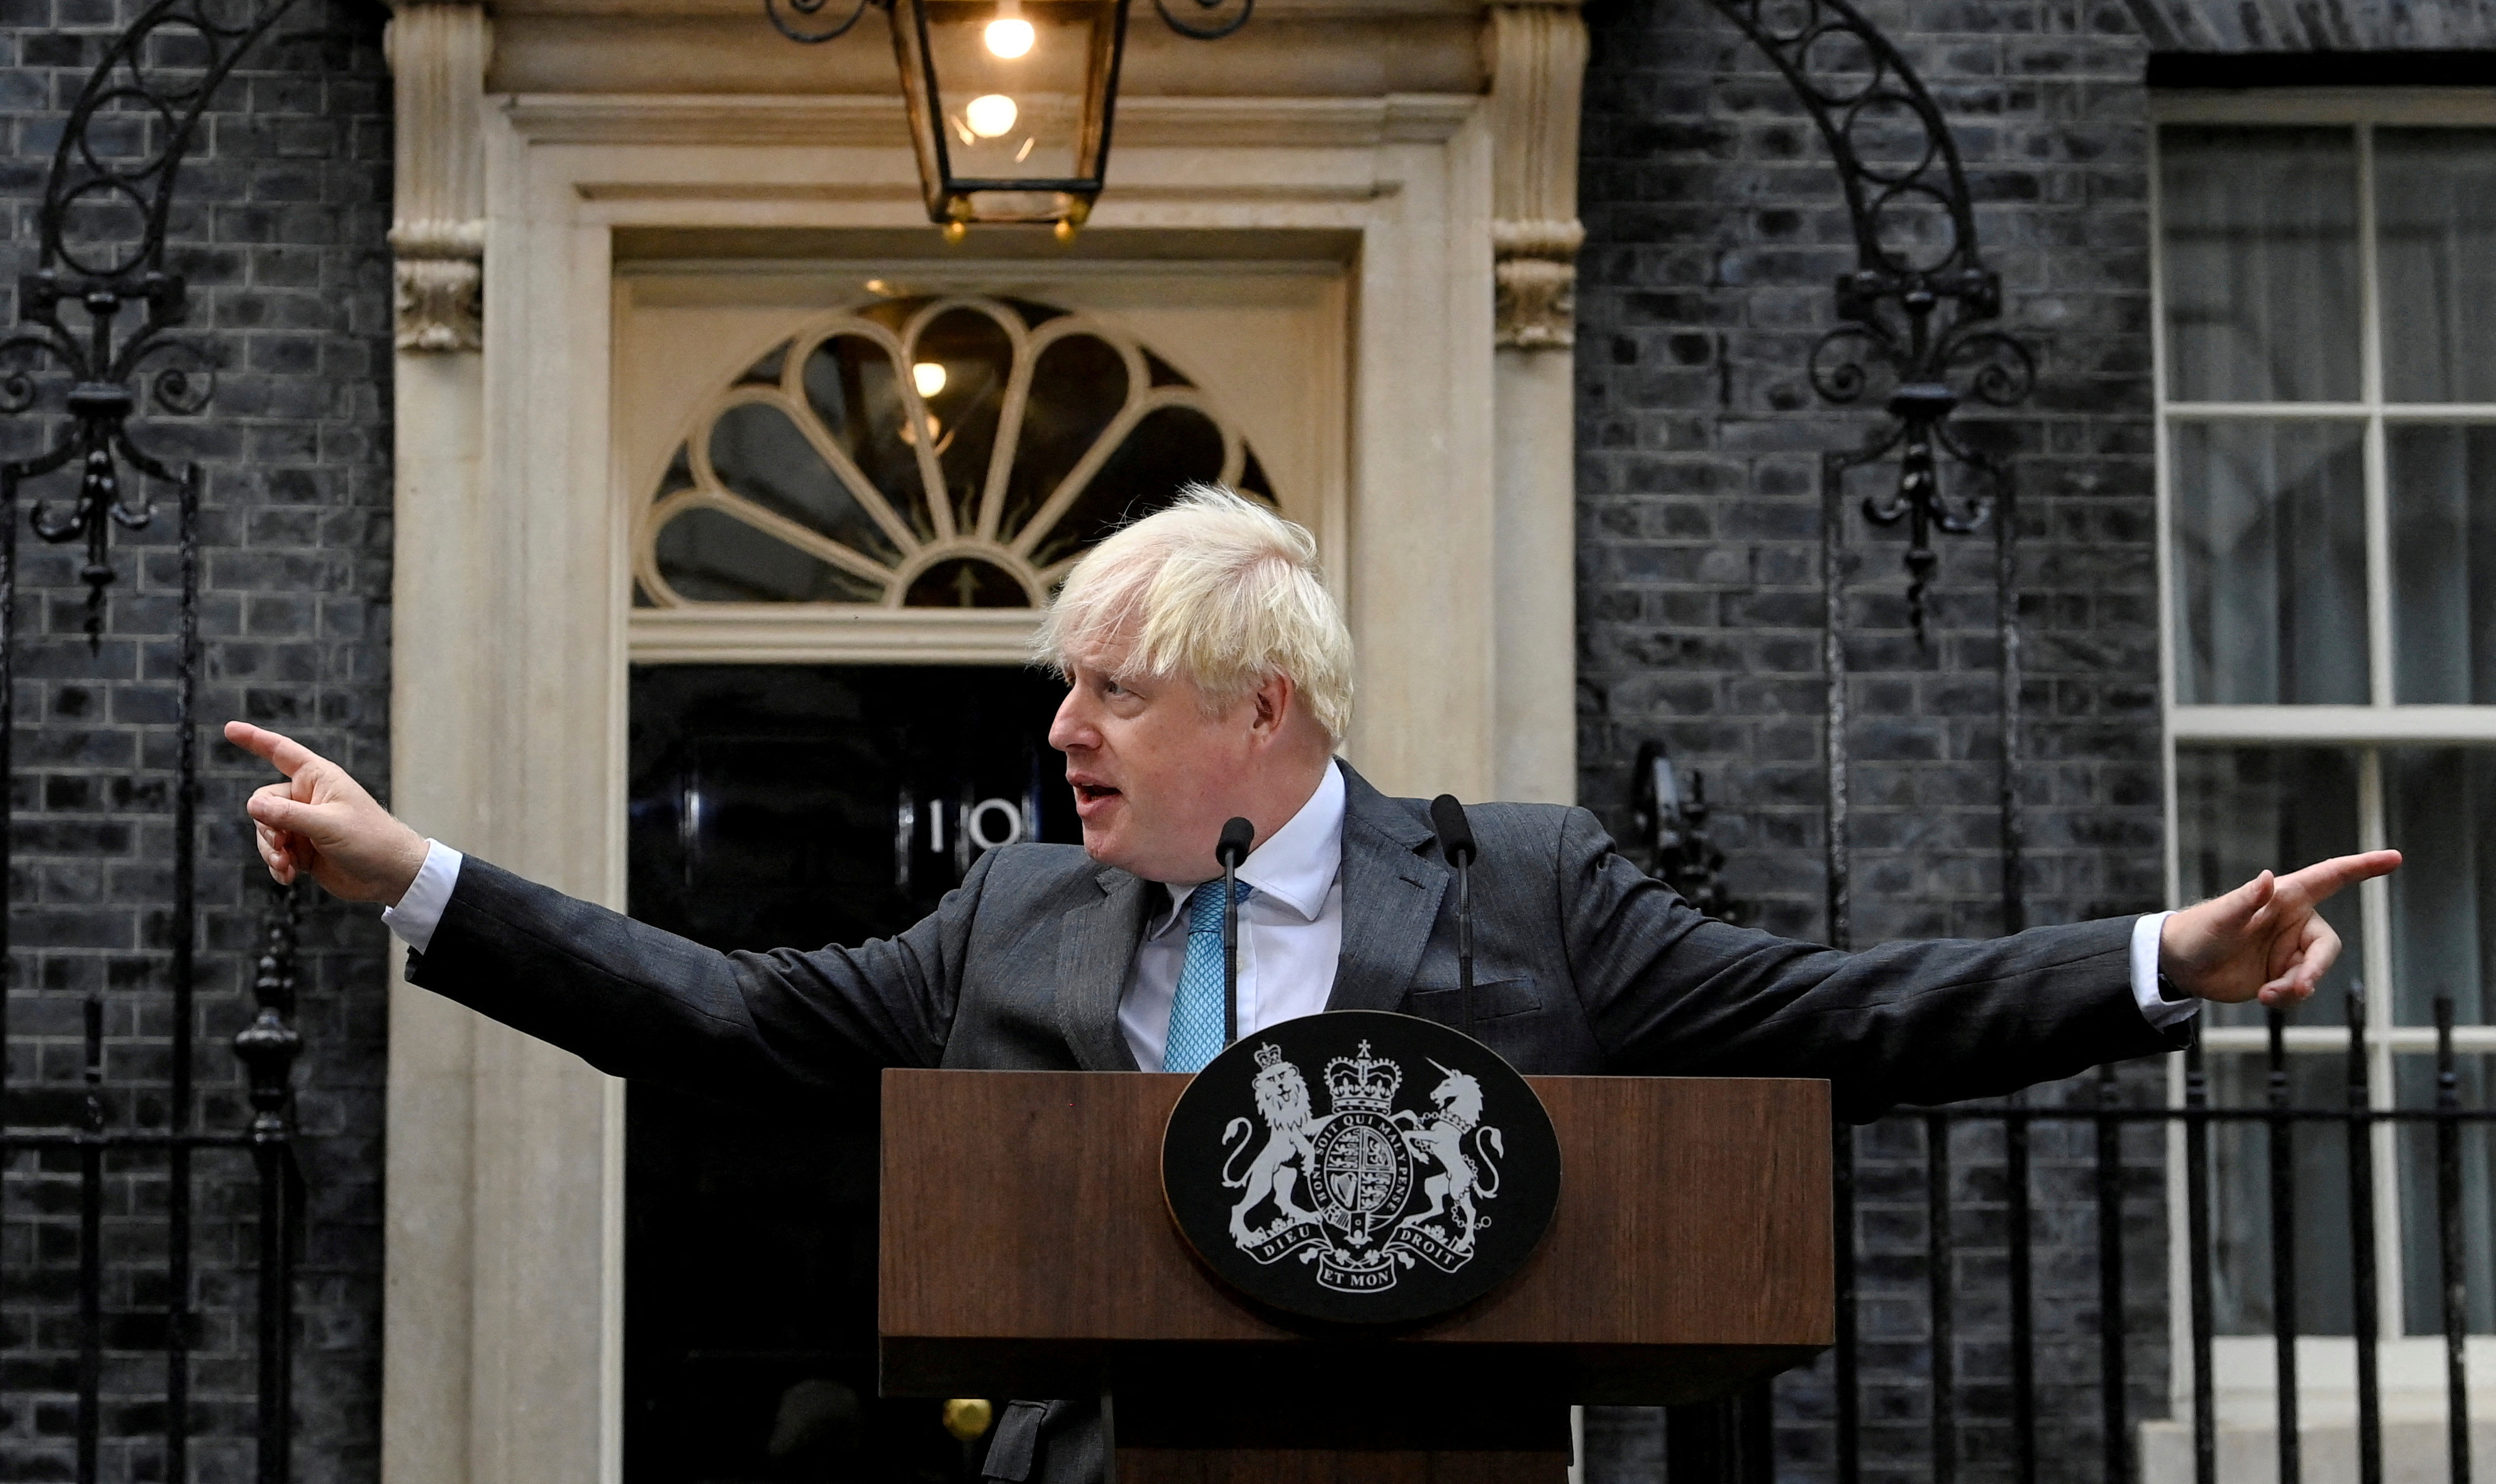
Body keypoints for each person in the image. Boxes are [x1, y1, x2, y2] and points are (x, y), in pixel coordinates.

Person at [227, 484, 2397, 1483]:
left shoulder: (1534, 893)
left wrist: (2156, 960)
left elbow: (1832, 1017)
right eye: (1058, 686)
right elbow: (725, 1019)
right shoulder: (1013, 926)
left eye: (1110, 689)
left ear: (1266, 710)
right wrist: (416, 874)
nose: (1061, 730)